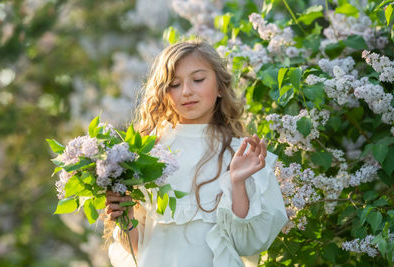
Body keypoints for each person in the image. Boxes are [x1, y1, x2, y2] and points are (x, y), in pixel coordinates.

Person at [104, 39, 288, 267]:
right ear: (163, 92)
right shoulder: (147, 154)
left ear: (220, 86)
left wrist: (237, 182)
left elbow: (246, 244)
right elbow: (136, 250)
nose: (187, 91)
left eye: (198, 80)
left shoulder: (239, 153)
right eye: (174, 84)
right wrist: (125, 216)